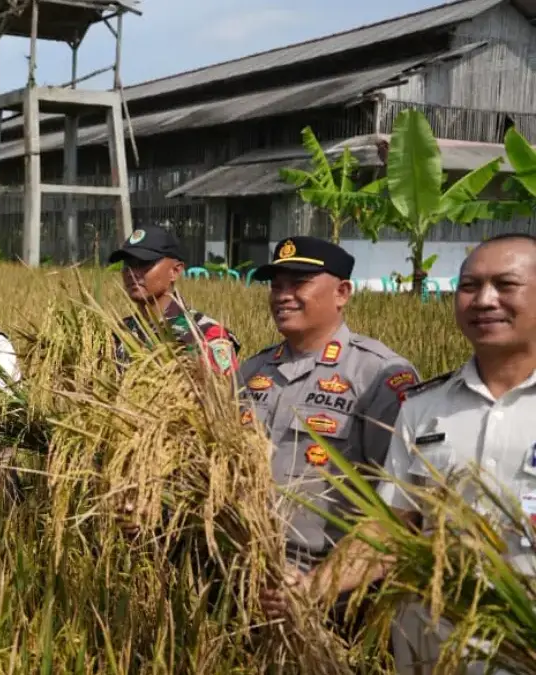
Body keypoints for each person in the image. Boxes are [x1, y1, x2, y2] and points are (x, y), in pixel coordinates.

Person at [299, 234, 536, 674]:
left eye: (505, 285)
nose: (484, 300)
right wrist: (313, 588)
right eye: (469, 286)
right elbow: (392, 527)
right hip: (431, 648)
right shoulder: (424, 409)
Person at [238, 236, 419, 632]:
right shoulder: (253, 371)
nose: (282, 295)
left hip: (333, 591)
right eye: (276, 284)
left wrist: (319, 584)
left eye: (298, 282)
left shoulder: (378, 377)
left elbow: (402, 507)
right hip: (247, 579)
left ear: (342, 292)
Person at [108, 225, 240, 375]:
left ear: (175, 271)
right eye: (128, 264)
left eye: (144, 263)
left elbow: (223, 395)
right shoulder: (119, 333)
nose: (132, 272)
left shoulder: (205, 334)